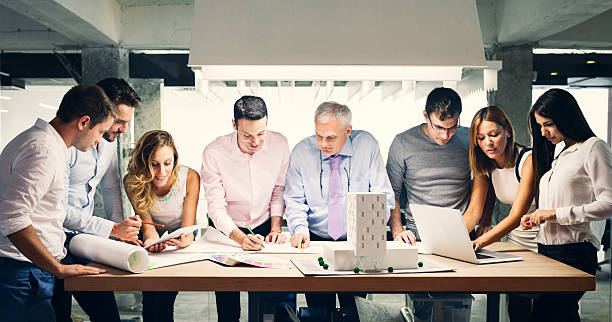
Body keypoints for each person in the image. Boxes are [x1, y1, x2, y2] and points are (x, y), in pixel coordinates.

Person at [0, 85, 115, 320]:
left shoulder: (43, 143)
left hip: (29, 269)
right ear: (83, 122)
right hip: (22, 271)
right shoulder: (43, 151)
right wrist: (57, 268)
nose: (98, 142)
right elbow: (12, 218)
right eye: (100, 133)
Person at [284, 101, 394, 321]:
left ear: (348, 130)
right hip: (315, 240)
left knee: (354, 310)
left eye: (331, 138)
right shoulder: (301, 152)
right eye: (318, 135)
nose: (323, 143)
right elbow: (295, 200)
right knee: (319, 310)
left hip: (357, 241)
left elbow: (384, 196)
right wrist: (299, 229)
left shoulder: (367, 145)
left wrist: (369, 232)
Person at [53, 78, 143, 322]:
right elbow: (56, 210)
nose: (124, 129)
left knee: (107, 314)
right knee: (58, 312)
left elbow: (111, 188)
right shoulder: (67, 145)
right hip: (54, 238)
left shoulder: (109, 143)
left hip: (83, 237)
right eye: (120, 122)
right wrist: (112, 228)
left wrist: (121, 236)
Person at [521, 88, 612, 322]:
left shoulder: (593, 147)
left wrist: (555, 214)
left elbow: (609, 203)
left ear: (566, 117)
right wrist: (537, 217)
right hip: (546, 250)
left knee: (549, 316)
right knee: (555, 316)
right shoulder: (562, 154)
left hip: (574, 252)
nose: (543, 132)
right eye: (540, 126)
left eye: (548, 124)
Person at [201, 95, 289, 321]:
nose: (256, 142)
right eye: (247, 135)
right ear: (234, 125)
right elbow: (216, 208)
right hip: (226, 230)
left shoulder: (279, 144)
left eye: (261, 133)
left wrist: (276, 228)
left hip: (265, 224)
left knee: (267, 301)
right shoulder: (214, 152)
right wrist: (239, 239)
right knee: (228, 304)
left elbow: (278, 190)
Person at [460, 105, 537, 321]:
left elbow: (516, 216)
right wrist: (454, 241)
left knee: (547, 311)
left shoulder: (528, 160)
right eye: (481, 137)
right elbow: (473, 211)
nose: (488, 143)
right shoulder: (487, 164)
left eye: (494, 134)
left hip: (545, 242)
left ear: (508, 131)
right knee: (518, 311)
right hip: (518, 243)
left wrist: (479, 242)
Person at [124, 130, 200, 322]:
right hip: (151, 234)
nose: (161, 172)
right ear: (144, 162)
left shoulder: (190, 177)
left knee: (165, 297)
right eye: (154, 164)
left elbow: (188, 230)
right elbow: (148, 228)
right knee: (149, 297)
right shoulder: (132, 181)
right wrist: (151, 240)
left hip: (181, 234)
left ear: (175, 159)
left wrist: (183, 240)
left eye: (167, 163)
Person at [386, 87, 471, 244]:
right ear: (426, 115)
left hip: (461, 234)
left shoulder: (470, 139)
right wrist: (398, 232)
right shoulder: (402, 143)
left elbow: (488, 182)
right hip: (417, 237)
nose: (445, 135)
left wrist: (486, 221)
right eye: (439, 127)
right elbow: (392, 193)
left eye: (452, 127)